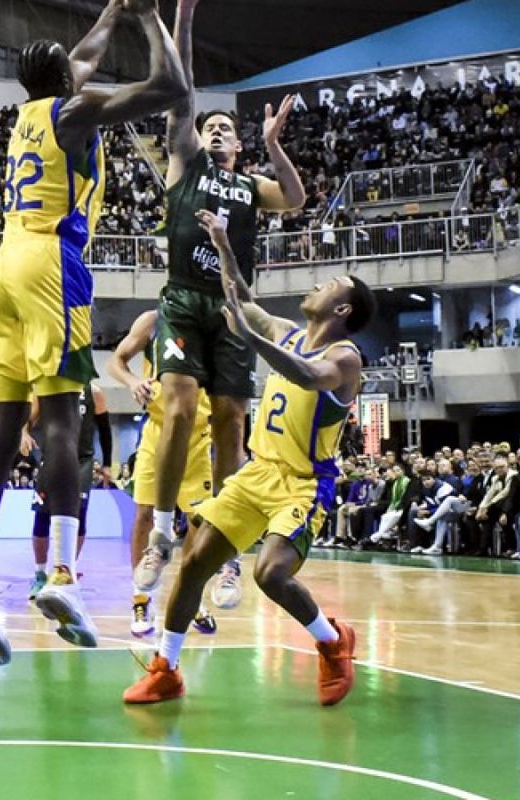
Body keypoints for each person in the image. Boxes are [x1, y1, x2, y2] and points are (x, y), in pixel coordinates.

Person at [0, 0, 188, 666]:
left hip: (1, 267)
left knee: (0, 425)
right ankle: (64, 578)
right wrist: (149, 20)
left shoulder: (28, 114)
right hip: (53, 261)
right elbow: (170, 89)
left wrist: (112, 9)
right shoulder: (74, 111)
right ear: (67, 81)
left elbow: (83, 55)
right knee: (60, 425)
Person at [123, 209, 374, 707]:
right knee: (194, 563)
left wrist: (248, 334)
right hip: (256, 472)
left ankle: (331, 641)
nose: (318, 285)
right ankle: (166, 668)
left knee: (270, 574)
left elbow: (306, 374)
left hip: (303, 482)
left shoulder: (346, 358)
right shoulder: (284, 329)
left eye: (329, 284)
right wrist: (221, 242)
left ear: (341, 309)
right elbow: (240, 295)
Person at [140, 0, 306, 603]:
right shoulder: (183, 162)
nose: (215, 130)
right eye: (210, 125)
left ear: (237, 145)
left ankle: (225, 546)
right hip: (184, 298)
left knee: (232, 421)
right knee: (181, 407)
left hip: (233, 306)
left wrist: (272, 142)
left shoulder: (249, 186)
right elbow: (181, 91)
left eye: (225, 129)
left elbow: (294, 197)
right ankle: (162, 534)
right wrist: (183, 18)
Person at [106, 310, 220, 637]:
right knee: (144, 515)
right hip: (159, 432)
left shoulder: (215, 323)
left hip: (198, 439)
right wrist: (132, 381)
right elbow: (117, 361)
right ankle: (141, 597)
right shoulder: (153, 321)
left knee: (199, 521)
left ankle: (189, 593)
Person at [21, 384, 113, 599]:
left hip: (81, 460)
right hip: (51, 456)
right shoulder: (47, 386)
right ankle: (40, 573)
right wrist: (24, 432)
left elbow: (105, 430)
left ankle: (66, 570)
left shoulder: (94, 393)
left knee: (79, 514)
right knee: (42, 515)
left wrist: (107, 463)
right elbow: (29, 418)